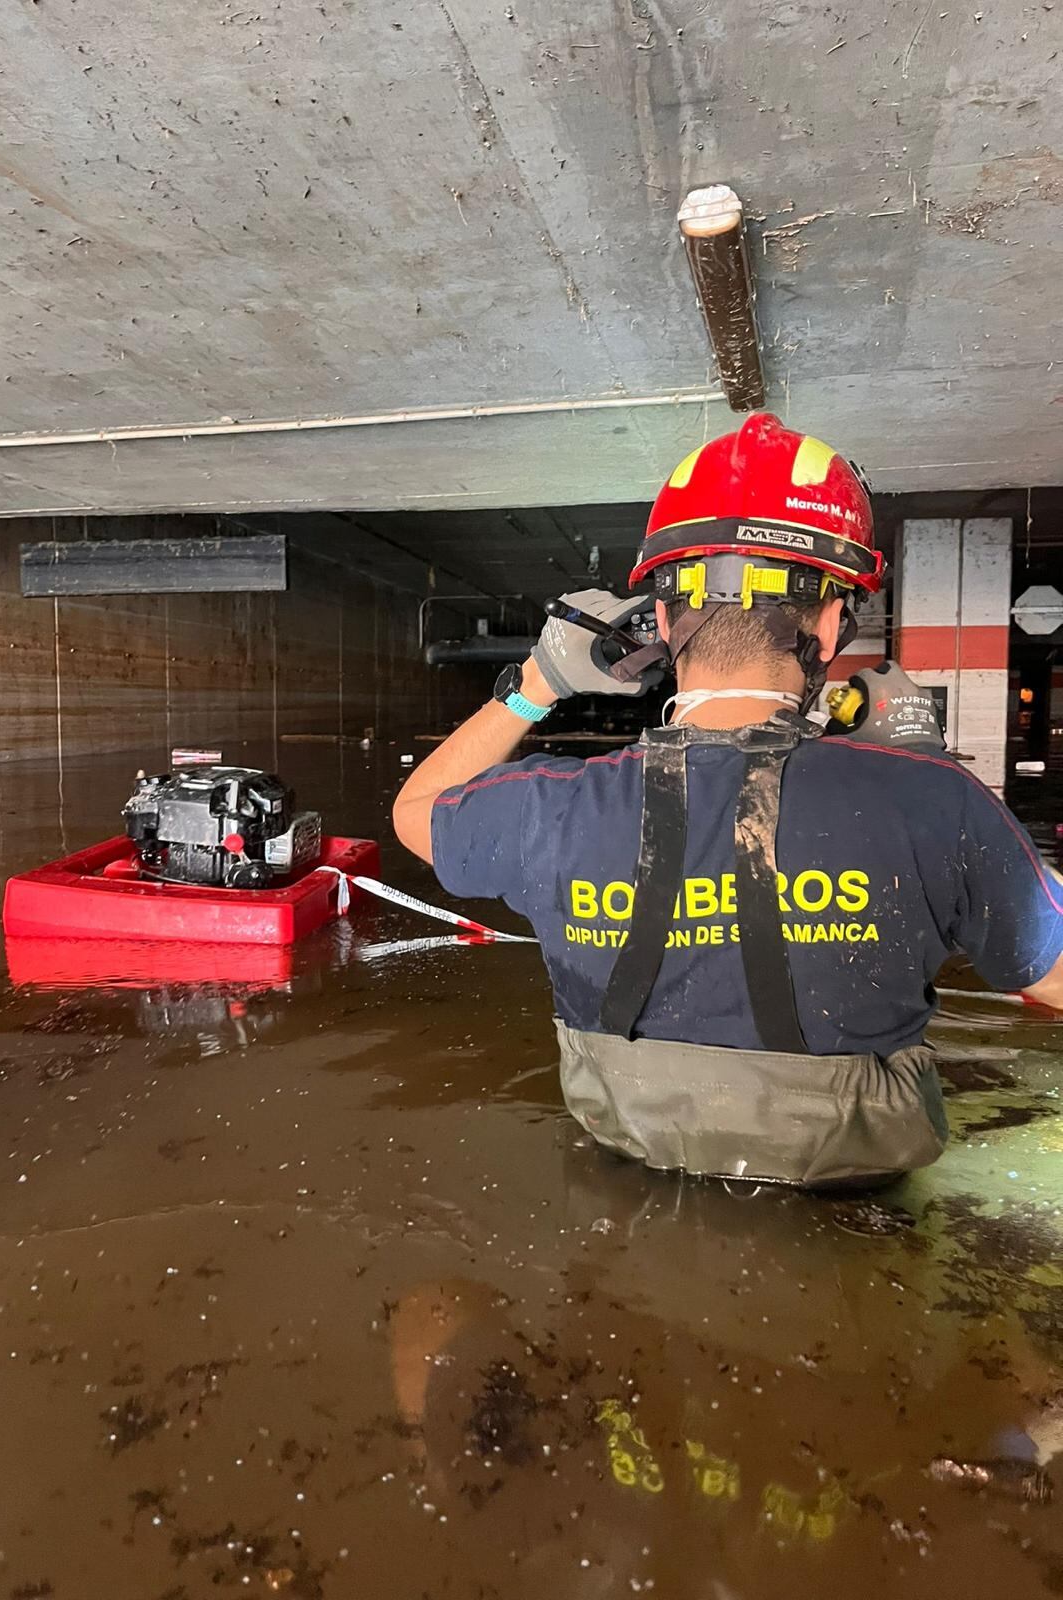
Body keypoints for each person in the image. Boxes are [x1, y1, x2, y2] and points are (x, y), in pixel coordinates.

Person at [393, 413, 1063, 1187]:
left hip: (627, 1185)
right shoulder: (935, 801)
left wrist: (538, 683)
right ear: (832, 619)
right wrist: (921, 775)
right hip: (857, 1216)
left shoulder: (549, 804)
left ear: (668, 617)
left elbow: (417, 810)